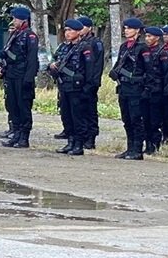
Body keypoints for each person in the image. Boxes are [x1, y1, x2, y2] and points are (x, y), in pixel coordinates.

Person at [48, 19, 93, 155]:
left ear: (79, 32)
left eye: (70, 30)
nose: (67, 33)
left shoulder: (85, 48)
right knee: (66, 116)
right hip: (64, 86)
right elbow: (54, 62)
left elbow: (89, 71)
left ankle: (78, 144)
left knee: (77, 117)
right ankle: (71, 142)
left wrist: (87, 89)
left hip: (77, 88)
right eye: (66, 30)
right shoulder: (64, 47)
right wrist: (52, 67)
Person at [0, 6, 38, 148]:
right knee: (13, 107)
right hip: (12, 75)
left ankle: (24, 137)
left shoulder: (29, 35)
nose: (13, 21)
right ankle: (16, 134)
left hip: (22, 76)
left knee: (23, 107)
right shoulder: (16, 34)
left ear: (22, 19)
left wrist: (29, 78)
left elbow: (31, 59)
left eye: (15, 18)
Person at [110, 17, 147, 160]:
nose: (126, 30)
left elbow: (148, 70)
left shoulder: (142, 48)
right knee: (126, 119)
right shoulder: (124, 47)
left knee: (136, 118)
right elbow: (119, 64)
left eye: (129, 28)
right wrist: (114, 72)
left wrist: (146, 88)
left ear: (137, 31)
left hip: (136, 88)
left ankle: (137, 150)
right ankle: (129, 148)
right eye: (125, 28)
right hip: (124, 88)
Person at [77, 16, 105, 149]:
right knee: (80, 111)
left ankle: (91, 138)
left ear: (89, 28)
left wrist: (93, 83)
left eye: (82, 27)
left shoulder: (95, 43)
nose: (80, 29)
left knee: (90, 111)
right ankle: (82, 136)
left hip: (91, 83)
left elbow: (97, 65)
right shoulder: (78, 42)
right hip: (80, 83)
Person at [141, 26, 166, 155]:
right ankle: (148, 144)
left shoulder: (161, 52)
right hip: (145, 89)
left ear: (157, 38)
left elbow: (165, 74)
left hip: (157, 91)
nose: (147, 39)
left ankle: (155, 145)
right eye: (146, 36)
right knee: (145, 119)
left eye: (150, 36)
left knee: (154, 120)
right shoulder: (144, 51)